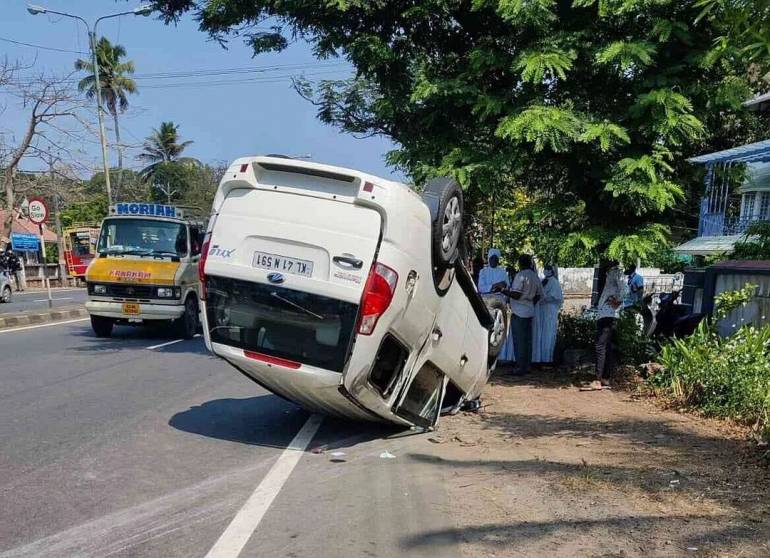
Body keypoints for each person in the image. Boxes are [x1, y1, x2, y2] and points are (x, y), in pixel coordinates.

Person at [499, 254, 543, 374]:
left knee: (519, 341)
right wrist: (530, 302)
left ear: (520, 263)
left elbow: (516, 295)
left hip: (519, 312)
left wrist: (503, 290)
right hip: (529, 311)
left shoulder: (521, 275)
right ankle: (527, 366)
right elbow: (539, 295)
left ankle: (520, 367)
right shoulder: (535, 276)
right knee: (527, 341)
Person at [586, 262, 624, 391]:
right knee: (606, 346)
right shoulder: (609, 273)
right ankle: (605, 378)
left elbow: (624, 289)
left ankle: (598, 379)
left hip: (609, 314)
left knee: (600, 346)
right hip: (604, 313)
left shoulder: (616, 272)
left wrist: (617, 302)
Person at [533, 264, 564, 363]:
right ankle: (539, 358)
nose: (546, 270)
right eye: (545, 269)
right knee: (541, 333)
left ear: (552, 270)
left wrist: (545, 298)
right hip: (541, 310)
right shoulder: (543, 281)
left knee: (548, 333)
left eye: (548, 269)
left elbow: (556, 297)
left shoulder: (554, 283)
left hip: (550, 310)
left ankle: (547, 358)